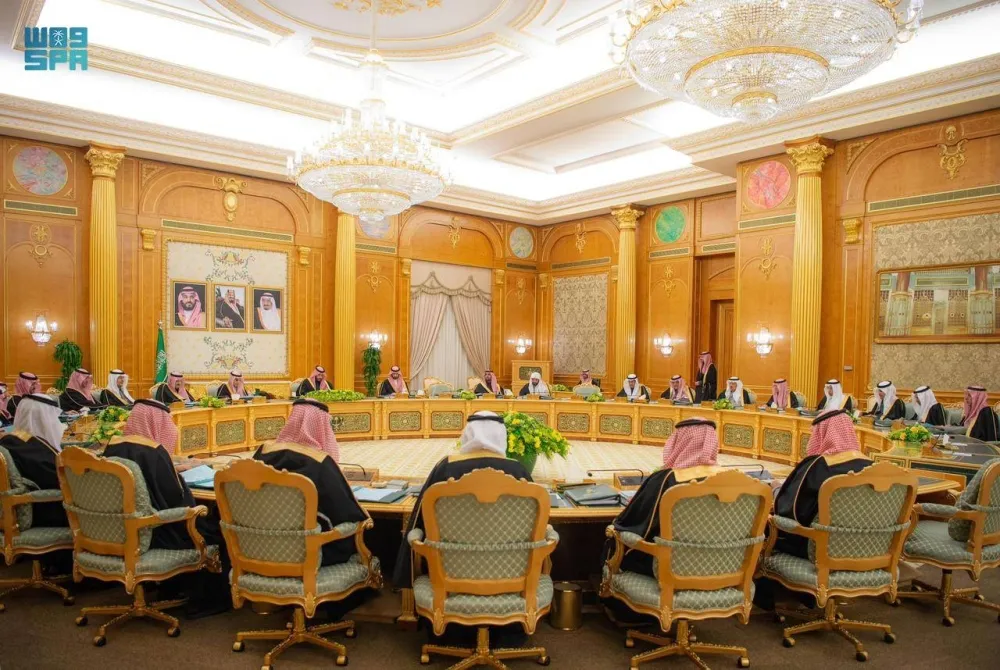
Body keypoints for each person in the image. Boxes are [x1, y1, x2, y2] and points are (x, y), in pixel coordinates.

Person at [393, 411, 532, 588]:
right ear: (501, 435)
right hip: (512, 574)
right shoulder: (518, 471)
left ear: (467, 434)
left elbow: (419, 520)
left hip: (446, 576)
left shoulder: (446, 467)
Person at [253, 398, 365, 566]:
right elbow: (347, 513)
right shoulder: (320, 462)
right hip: (311, 554)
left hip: (258, 549)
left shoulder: (262, 454)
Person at [608, 419, 722, 577]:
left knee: (613, 540)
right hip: (724, 566)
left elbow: (633, 522)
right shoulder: (735, 480)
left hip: (669, 569)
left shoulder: (666, 479)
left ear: (679, 442)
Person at [772, 410, 871, 559]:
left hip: (817, 549)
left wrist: (776, 490)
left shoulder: (816, 466)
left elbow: (791, 512)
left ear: (822, 433)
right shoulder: (871, 466)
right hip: (868, 547)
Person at [0, 394, 68, 527]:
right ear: (43, 419)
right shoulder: (34, 449)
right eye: (53, 418)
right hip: (44, 512)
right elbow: (63, 481)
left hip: (15, 511)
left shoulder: (12, 440)